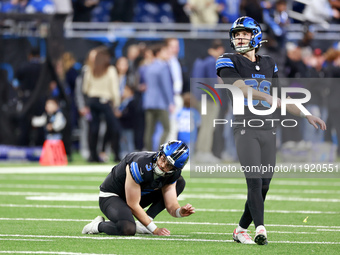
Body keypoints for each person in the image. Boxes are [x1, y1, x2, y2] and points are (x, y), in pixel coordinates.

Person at [216, 16, 326, 245]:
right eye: (236, 35)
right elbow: (240, 88)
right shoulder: (227, 60)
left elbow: (281, 97)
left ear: (255, 35)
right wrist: (265, 96)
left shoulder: (268, 62)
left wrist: (306, 114)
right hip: (245, 127)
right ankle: (261, 229)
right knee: (254, 181)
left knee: (264, 184)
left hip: (268, 128)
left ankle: (239, 229)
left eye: (244, 34)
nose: (239, 38)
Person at [82, 140, 195, 236]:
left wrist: (180, 211)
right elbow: (133, 204)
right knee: (127, 228)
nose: (163, 165)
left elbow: (170, 204)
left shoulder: (174, 174)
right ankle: (96, 226)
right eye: (163, 158)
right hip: (112, 196)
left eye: (169, 165)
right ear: (160, 153)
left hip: (137, 196)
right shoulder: (140, 164)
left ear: (175, 169)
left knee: (180, 182)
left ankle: (144, 223)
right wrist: (154, 229)